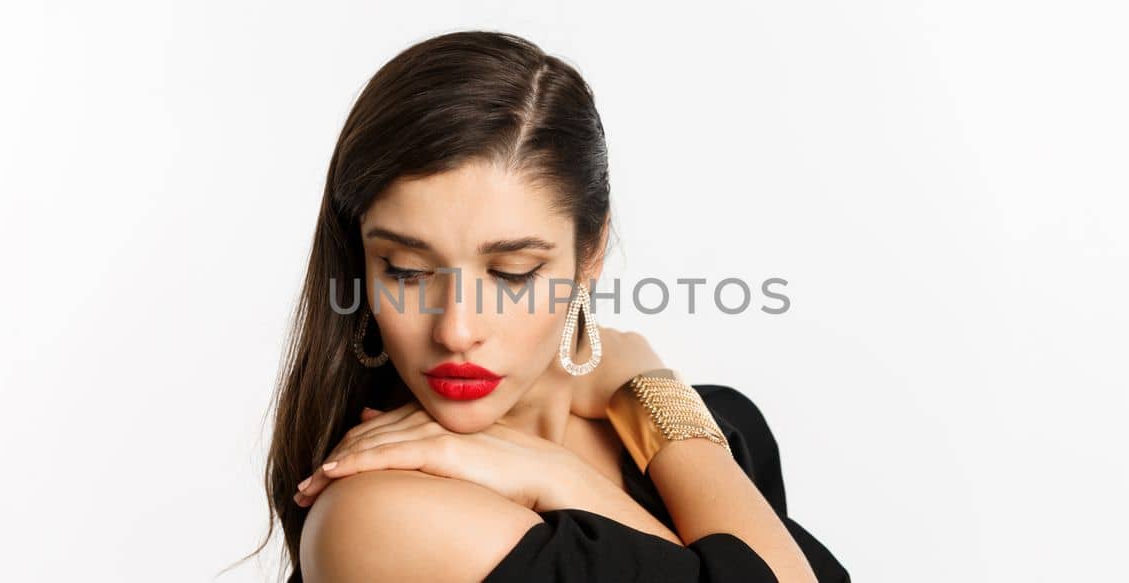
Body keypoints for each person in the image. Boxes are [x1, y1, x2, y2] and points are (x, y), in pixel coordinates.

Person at [247, 30, 849, 582]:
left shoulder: (710, 427)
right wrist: (590, 453)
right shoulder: (375, 517)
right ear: (359, 262)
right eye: (405, 271)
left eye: (512, 274)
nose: (457, 330)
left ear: (589, 255)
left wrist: (571, 462)